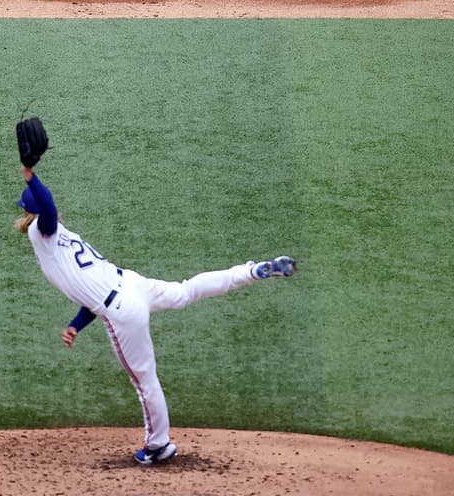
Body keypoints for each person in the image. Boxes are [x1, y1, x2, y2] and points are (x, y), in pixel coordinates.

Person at [15, 161, 296, 465]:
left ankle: (158, 444)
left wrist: (31, 176)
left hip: (122, 310)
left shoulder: (40, 231)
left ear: (29, 214)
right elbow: (92, 293)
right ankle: (250, 271)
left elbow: (47, 206)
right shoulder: (64, 236)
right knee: (186, 291)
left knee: (145, 380)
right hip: (132, 285)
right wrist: (75, 325)